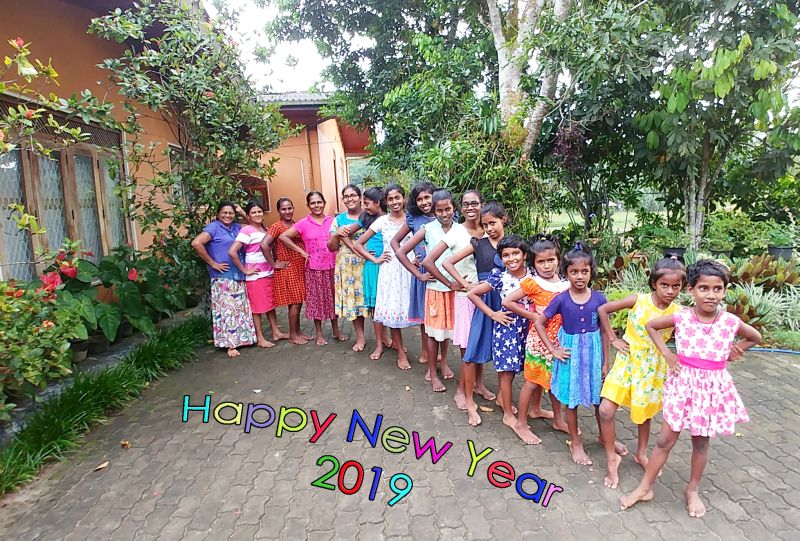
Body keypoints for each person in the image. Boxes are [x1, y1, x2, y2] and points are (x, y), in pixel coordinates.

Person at [621, 260, 761, 518]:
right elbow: (651, 326)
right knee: (664, 441)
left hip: (711, 390)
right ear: (691, 290)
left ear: (724, 291)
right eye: (704, 288)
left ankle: (692, 490)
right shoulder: (682, 317)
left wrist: (738, 349)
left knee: (700, 443)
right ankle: (644, 487)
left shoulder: (730, 321)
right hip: (683, 386)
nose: (711, 294)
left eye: (717, 289)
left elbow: (755, 337)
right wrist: (667, 354)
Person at [597, 255, 686, 489]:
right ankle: (610, 457)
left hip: (653, 368)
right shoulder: (638, 300)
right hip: (627, 361)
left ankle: (642, 453)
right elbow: (603, 309)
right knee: (606, 410)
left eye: (676, 286)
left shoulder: (679, 312)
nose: (669, 291)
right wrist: (614, 339)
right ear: (654, 283)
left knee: (644, 413)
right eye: (664, 285)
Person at [533, 241, 608, 466]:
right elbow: (539, 322)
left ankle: (605, 437)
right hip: (570, 355)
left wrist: (606, 361)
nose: (579, 276)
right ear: (565, 273)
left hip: (593, 355)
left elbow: (605, 331)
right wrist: (553, 349)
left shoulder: (599, 298)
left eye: (584, 271)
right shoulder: (561, 299)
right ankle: (575, 441)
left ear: (591, 272)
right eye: (574, 272)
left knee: (598, 398)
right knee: (571, 399)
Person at [440, 201, 507, 425]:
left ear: (503, 220)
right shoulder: (478, 244)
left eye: (492, 223)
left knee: (504, 351)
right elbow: (448, 262)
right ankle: (469, 401)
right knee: (471, 351)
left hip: (506, 302)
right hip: (482, 299)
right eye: (485, 224)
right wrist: (463, 284)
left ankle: (503, 399)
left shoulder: (510, 244)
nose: (489, 228)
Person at [501, 234, 570, 444]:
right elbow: (508, 301)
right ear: (534, 263)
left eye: (551, 260)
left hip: (560, 341)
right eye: (541, 261)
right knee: (531, 382)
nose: (547, 265)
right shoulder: (533, 283)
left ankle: (558, 420)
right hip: (539, 342)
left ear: (558, 259)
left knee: (555, 381)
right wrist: (532, 315)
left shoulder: (566, 283)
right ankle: (521, 423)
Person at [467, 235, 532, 428]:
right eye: (506, 255)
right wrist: (492, 314)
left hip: (529, 327)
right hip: (508, 328)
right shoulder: (500, 276)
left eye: (515, 253)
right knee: (506, 372)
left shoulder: (533, 274)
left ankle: (513, 403)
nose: (511, 259)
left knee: (527, 368)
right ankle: (507, 414)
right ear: (501, 258)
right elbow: (473, 294)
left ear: (525, 255)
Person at [434, 190, 490, 408]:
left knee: (481, 341)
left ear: (481, 204)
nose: (470, 208)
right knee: (468, 346)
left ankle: (479, 385)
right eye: (465, 204)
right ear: (461, 207)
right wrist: (456, 283)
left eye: (474, 203)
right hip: (465, 296)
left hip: (486, 294)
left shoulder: (488, 228)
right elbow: (432, 260)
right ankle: (461, 390)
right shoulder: (456, 232)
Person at [397, 189, 457, 392]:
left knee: (446, 331)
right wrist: (418, 274)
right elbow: (401, 251)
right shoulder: (427, 228)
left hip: (453, 288)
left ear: (453, 209)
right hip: (434, 287)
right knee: (432, 332)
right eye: (439, 210)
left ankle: (444, 362)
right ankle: (432, 372)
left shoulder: (459, 228)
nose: (444, 213)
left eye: (447, 209)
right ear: (435, 210)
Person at [354, 184, 414, 370]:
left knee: (419, 311)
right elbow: (358, 243)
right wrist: (375, 258)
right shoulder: (382, 221)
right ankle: (401, 353)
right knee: (393, 312)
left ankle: (427, 353)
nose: (395, 202)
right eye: (391, 199)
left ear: (404, 199)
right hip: (390, 272)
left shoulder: (413, 219)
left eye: (398, 198)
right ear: (386, 202)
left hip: (412, 269)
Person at [278, 191, 347, 345]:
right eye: (313, 203)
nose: (317, 205)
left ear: (324, 203)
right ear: (308, 205)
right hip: (314, 268)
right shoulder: (303, 223)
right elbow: (283, 237)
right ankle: (319, 334)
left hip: (333, 266)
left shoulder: (333, 221)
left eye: (319, 202)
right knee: (316, 301)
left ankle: (336, 331)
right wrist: (302, 252)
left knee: (333, 300)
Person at [191, 201, 256, 358]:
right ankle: (229, 344)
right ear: (218, 213)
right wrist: (213, 263)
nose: (228, 215)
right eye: (224, 213)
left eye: (231, 213)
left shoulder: (236, 227)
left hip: (238, 273)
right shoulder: (214, 228)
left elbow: (253, 228)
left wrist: (241, 212)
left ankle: (243, 339)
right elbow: (196, 243)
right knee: (227, 310)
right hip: (223, 276)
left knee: (239, 308)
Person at [336, 187, 392, 359]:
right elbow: (346, 234)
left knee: (388, 304)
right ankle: (378, 344)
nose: (365, 207)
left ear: (377, 203)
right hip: (373, 266)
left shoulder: (390, 218)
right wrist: (360, 251)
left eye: (367, 203)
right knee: (375, 306)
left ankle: (389, 339)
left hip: (390, 266)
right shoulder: (365, 218)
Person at [228, 201, 287, 349]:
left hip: (268, 272)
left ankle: (276, 332)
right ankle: (259, 338)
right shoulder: (246, 231)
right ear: (248, 215)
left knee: (269, 305)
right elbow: (232, 252)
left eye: (259, 211)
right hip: (256, 276)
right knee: (257, 308)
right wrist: (244, 270)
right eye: (253, 213)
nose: (257, 214)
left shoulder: (264, 229)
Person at [390, 181, 436, 364]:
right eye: (419, 199)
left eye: (427, 197)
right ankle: (426, 352)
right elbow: (395, 242)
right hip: (424, 273)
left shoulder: (447, 214)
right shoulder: (414, 219)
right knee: (425, 318)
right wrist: (413, 264)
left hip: (442, 272)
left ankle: (438, 353)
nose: (424, 202)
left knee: (440, 315)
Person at [263, 197, 311, 345]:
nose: (287, 211)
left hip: (299, 267)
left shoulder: (296, 224)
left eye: (289, 208)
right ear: (279, 211)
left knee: (298, 302)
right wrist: (273, 264)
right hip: (288, 268)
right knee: (295, 303)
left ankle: (298, 331)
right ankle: (292, 335)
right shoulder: (277, 226)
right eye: (284, 209)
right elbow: (264, 245)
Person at [327, 185, 369, 351]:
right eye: (346, 196)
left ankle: (384, 336)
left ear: (360, 197)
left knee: (373, 300)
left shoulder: (369, 216)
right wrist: (337, 234)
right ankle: (360, 337)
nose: (349, 199)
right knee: (355, 301)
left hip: (368, 262)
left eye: (353, 195)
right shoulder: (338, 220)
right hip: (347, 267)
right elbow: (331, 247)